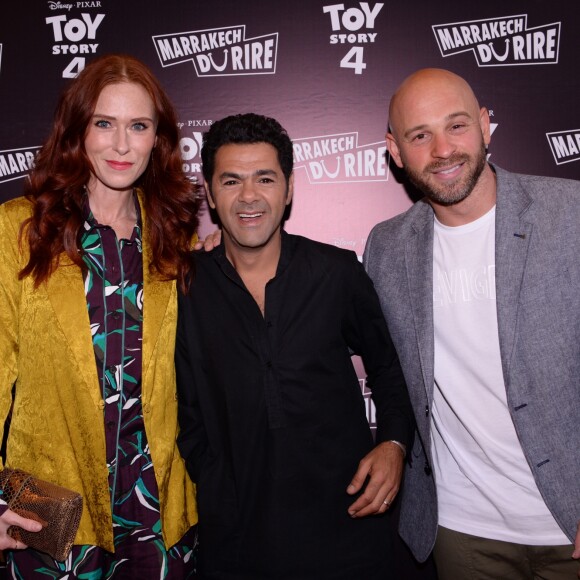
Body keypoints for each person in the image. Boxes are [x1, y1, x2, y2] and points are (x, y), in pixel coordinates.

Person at [175, 113, 414, 579]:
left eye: (265, 178)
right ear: (209, 191)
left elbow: (389, 368)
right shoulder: (182, 286)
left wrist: (394, 443)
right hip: (234, 540)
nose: (248, 197)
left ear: (288, 190)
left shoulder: (337, 272)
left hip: (347, 529)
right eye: (231, 181)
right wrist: (212, 478)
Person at [363, 67, 580, 579]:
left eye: (456, 126)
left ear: (485, 124)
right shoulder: (387, 247)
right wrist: (226, 253)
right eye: (420, 135)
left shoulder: (569, 215)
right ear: (395, 150)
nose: (442, 149)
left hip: (567, 519)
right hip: (463, 533)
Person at [0, 54, 200, 577]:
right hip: (47, 505)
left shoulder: (175, 239)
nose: (120, 144)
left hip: (155, 506)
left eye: (138, 126)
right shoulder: (19, 230)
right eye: (104, 124)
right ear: (77, 131)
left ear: (157, 139)